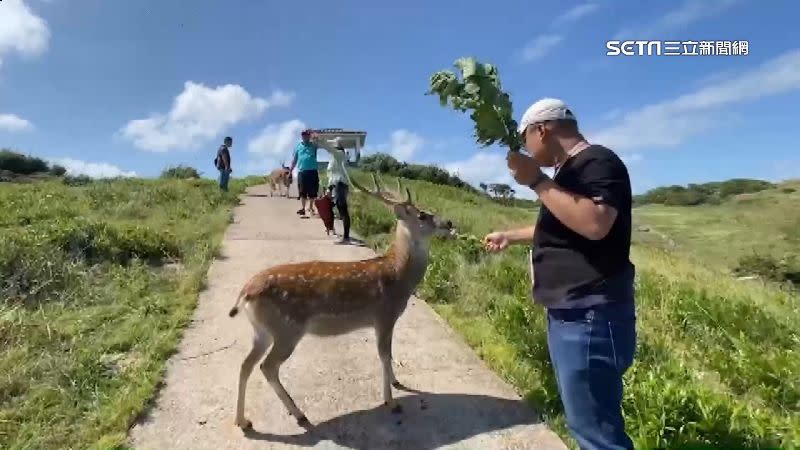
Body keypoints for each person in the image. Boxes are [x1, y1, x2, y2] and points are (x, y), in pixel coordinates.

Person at [483, 98, 636, 450]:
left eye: (526, 140)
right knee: (589, 425)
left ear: (542, 130)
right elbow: (566, 227)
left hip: (590, 315)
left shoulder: (597, 161)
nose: (526, 149)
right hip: (575, 314)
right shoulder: (567, 174)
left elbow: (595, 223)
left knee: (596, 435)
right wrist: (512, 236)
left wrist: (536, 180)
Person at [313, 136, 353, 244]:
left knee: (343, 210)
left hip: (340, 185)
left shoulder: (339, 154)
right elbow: (332, 175)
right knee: (328, 207)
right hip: (335, 185)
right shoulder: (334, 157)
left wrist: (319, 139)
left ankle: (346, 237)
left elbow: (327, 147)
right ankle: (331, 228)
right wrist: (329, 188)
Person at [290, 129, 320, 216]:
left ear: (309, 136)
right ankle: (303, 208)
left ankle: (310, 207)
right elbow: (294, 160)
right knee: (302, 191)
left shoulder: (313, 145)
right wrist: (290, 170)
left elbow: (317, 138)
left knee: (312, 191)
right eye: (303, 135)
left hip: (313, 171)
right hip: (302, 171)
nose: (305, 136)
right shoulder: (298, 146)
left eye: (306, 135)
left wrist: (311, 132)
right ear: (301, 136)